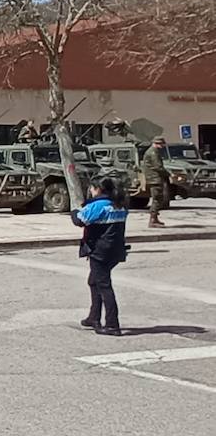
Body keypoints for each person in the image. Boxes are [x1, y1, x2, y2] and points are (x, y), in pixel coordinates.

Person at [72, 177, 129, 335]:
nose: (90, 191)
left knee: (104, 285)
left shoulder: (99, 205)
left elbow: (80, 220)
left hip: (100, 250)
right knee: (94, 281)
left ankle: (112, 324)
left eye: (92, 188)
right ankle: (93, 316)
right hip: (115, 250)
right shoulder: (119, 205)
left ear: (98, 189)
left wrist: (74, 212)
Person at [141, 136, 170, 227]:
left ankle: (155, 218)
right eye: (161, 144)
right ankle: (153, 220)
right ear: (156, 143)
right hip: (155, 179)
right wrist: (169, 174)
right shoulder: (153, 152)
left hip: (154, 178)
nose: (162, 146)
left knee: (158, 199)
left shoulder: (153, 151)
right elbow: (158, 167)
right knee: (157, 199)